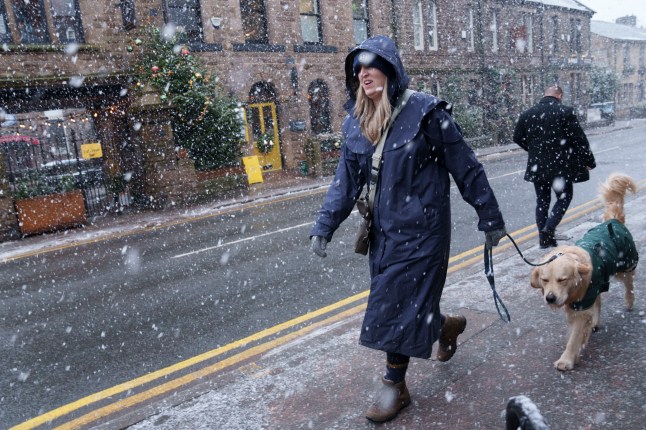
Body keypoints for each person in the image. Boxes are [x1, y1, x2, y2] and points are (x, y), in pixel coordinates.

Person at [309, 35, 506, 423]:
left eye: (371, 64)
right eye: (358, 68)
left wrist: (490, 217)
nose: (364, 72)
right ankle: (446, 326)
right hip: (383, 233)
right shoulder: (356, 122)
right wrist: (324, 226)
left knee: (395, 305)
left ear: (391, 69)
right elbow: (344, 182)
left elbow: (466, 167)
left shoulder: (427, 113)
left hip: (425, 233)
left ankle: (394, 386)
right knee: (406, 303)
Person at [513, 85, 596, 248]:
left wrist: (533, 149)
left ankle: (544, 241)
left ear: (545, 95)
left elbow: (517, 137)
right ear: (559, 96)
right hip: (561, 166)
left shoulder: (527, 114)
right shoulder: (565, 112)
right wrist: (589, 161)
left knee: (542, 202)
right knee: (564, 197)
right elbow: (579, 139)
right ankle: (549, 228)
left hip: (538, 167)